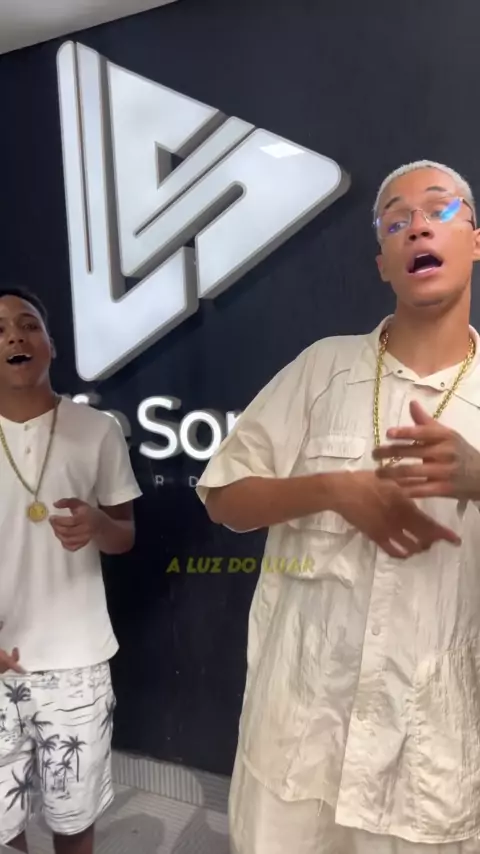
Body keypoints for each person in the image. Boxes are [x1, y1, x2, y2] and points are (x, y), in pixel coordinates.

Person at [196, 160, 480, 853]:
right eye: (395, 219)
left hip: (430, 752)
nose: (418, 226)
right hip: (299, 732)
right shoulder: (323, 368)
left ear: (475, 240)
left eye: (440, 209)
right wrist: (334, 490)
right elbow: (225, 498)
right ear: (382, 262)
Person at [0, 287, 141, 853]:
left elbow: (125, 535)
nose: (14, 336)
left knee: (73, 821)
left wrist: (98, 525)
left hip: (75, 664)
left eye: (28, 324)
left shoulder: (97, 429)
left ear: (51, 344)